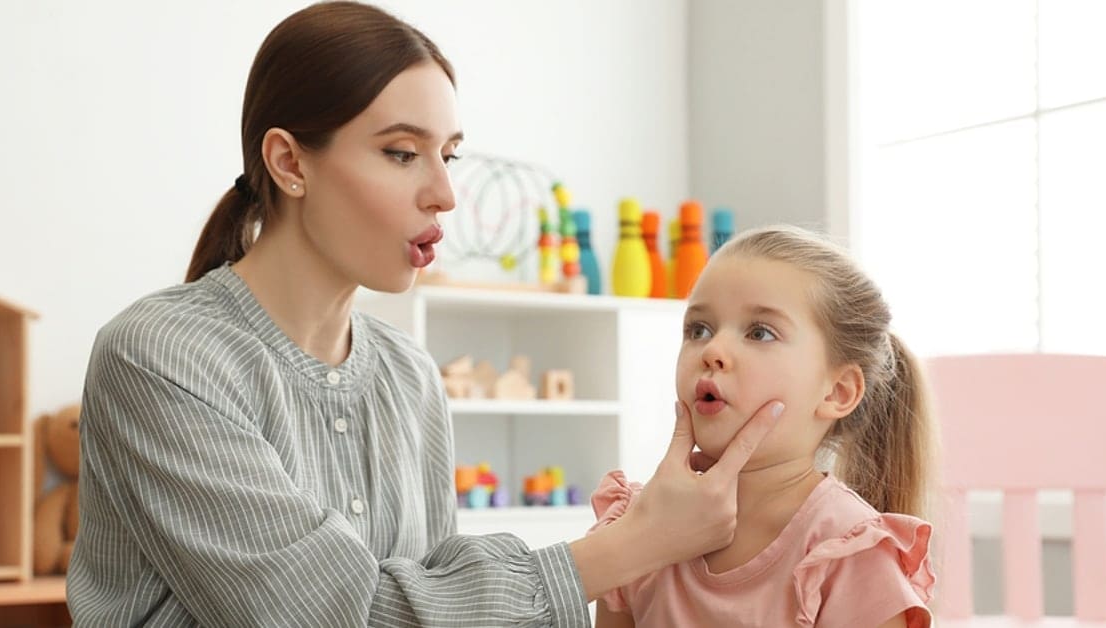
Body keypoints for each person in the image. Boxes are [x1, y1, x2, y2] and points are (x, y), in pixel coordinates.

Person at [65, 3, 783, 626]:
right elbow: (324, 615)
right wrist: (631, 546)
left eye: (450, 156)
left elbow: (437, 588)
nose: (444, 193)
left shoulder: (408, 375)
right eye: (402, 153)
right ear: (289, 162)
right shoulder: (158, 356)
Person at [591, 225, 938, 628]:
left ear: (838, 392)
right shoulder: (632, 529)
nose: (713, 351)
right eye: (698, 329)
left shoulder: (850, 555)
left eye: (760, 333)